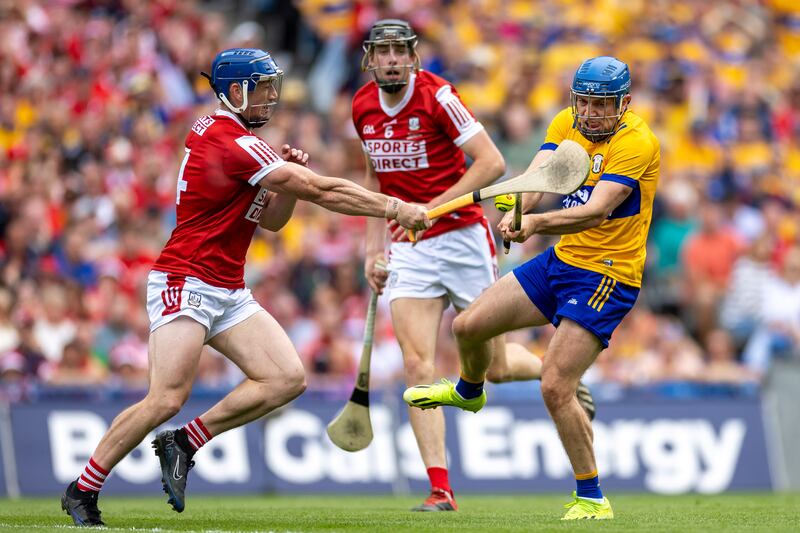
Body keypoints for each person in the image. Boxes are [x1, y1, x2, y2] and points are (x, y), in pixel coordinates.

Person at [60, 48, 429, 527]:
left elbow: (273, 221)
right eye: (262, 86)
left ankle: (186, 441)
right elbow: (323, 190)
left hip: (227, 287)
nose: (271, 96)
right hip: (186, 278)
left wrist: (286, 187)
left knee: (286, 378)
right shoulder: (227, 138)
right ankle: (81, 489)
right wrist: (393, 207)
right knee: (165, 397)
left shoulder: (241, 141)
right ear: (234, 92)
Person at [353, 19, 594, 512]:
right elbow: (376, 180)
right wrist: (373, 248)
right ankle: (441, 488)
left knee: (499, 368)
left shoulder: (438, 96)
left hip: (461, 238)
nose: (393, 59)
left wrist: (432, 207)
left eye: (401, 50)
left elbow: (491, 163)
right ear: (370, 59)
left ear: (414, 56)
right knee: (417, 363)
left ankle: (556, 372)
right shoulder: (361, 107)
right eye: (384, 51)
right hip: (409, 245)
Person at [404, 56, 660, 520]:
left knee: (555, 385)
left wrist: (536, 221)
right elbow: (539, 178)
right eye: (583, 101)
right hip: (561, 262)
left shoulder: (637, 142)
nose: (589, 111)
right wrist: (517, 207)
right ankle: (469, 390)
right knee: (468, 326)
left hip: (608, 273)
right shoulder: (566, 122)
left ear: (623, 104)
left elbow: (595, 211)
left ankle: (592, 497)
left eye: (601, 104)